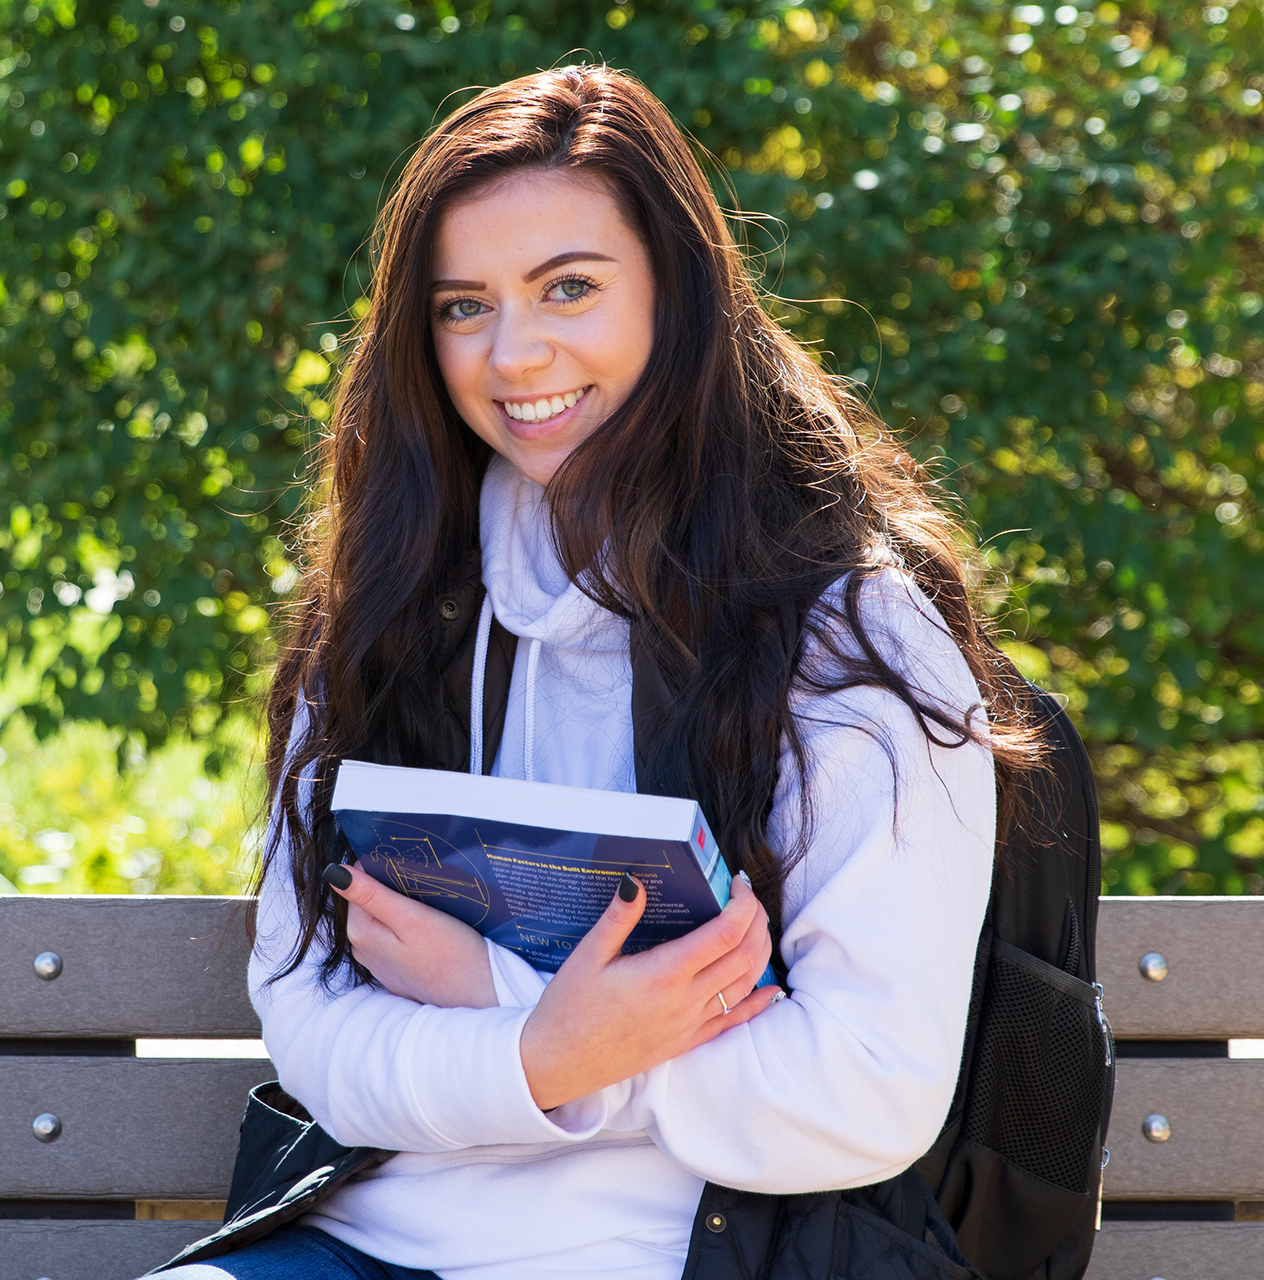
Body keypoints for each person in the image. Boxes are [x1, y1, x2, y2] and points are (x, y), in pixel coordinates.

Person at [159, 64, 1043, 1280]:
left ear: (677, 295)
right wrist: (544, 1045)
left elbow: (867, 1086)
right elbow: (312, 1027)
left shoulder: (849, 635)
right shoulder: (387, 608)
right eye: (463, 306)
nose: (514, 354)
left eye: (568, 287)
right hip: (362, 1248)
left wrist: (510, 1005)